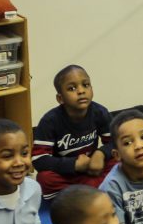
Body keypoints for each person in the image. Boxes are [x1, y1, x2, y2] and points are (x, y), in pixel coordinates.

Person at [33, 64, 117, 200]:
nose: (81, 91)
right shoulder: (50, 121)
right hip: (66, 173)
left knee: (120, 160)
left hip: (92, 168)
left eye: (86, 85)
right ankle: (83, 194)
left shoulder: (100, 112)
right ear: (60, 98)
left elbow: (115, 142)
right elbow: (38, 160)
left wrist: (100, 154)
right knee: (44, 178)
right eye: (72, 88)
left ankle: (86, 191)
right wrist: (74, 164)